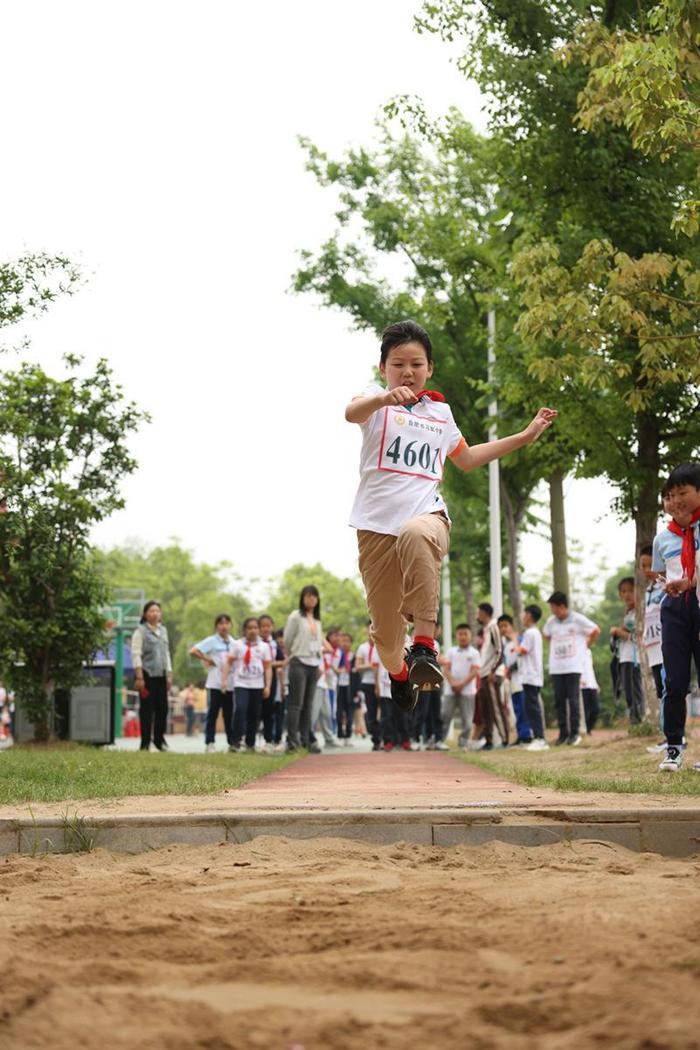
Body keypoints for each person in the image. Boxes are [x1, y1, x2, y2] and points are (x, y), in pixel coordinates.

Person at [344, 319, 556, 714]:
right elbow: (351, 413)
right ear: (383, 368)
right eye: (398, 364)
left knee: (415, 532)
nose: (408, 372)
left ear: (430, 368)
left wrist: (525, 437)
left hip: (428, 516)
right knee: (388, 640)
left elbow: (469, 458)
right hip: (375, 529)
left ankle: (424, 646)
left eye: (416, 364)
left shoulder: (440, 412)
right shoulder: (375, 400)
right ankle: (400, 672)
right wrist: (384, 400)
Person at [652, 463, 700, 772]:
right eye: (671, 495)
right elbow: (658, 572)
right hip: (674, 610)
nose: (676, 501)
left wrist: (690, 582)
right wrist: (670, 586)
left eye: (683, 493)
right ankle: (673, 747)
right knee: (676, 681)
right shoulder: (662, 539)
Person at [543, 593, 600, 747]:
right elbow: (546, 635)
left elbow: (595, 630)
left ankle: (574, 733)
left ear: (562, 606)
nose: (552, 610)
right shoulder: (551, 622)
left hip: (573, 666)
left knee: (573, 701)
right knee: (559, 702)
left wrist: (585, 645)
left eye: (553, 607)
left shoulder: (578, 619)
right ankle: (563, 734)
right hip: (556, 668)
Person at [283, 585, 328, 753]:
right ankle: (292, 741)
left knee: (308, 705)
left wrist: (320, 664)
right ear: (302, 598)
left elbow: (318, 645)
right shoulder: (295, 617)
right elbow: (287, 640)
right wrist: (294, 654)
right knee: (296, 704)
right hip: (299, 662)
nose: (312, 599)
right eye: (308, 596)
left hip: (314, 664)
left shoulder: (317, 620)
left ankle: (306, 740)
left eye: (315, 596)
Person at [190, 614, 236, 753]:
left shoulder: (234, 643)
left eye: (227, 623)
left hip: (231, 684)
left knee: (229, 715)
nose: (224, 626)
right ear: (217, 626)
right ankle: (210, 742)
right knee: (213, 714)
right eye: (221, 623)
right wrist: (207, 658)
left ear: (231, 625)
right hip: (215, 684)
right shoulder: (212, 641)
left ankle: (232, 742)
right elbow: (193, 651)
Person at [131, 600, 173, 752]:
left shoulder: (163, 631)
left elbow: (166, 653)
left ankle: (159, 739)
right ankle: (145, 742)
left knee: (163, 708)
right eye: (151, 611)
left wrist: (169, 674)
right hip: (147, 675)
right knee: (147, 710)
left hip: (161, 675)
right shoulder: (140, 631)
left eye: (157, 611)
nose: (155, 614)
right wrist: (139, 676)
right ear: (145, 614)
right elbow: (136, 654)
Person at [227, 617, 272, 752]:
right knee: (240, 710)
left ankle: (250, 743)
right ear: (244, 630)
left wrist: (267, 685)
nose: (253, 631)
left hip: (257, 684)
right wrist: (224, 681)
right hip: (241, 683)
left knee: (255, 714)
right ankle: (235, 741)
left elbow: (268, 667)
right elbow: (228, 663)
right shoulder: (237, 645)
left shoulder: (264, 647)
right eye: (249, 628)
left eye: (255, 628)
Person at [611, 577, 644, 724]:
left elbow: (638, 637)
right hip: (624, 657)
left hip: (635, 658)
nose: (627, 594)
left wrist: (618, 632)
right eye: (623, 591)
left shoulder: (640, 612)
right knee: (628, 692)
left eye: (630, 590)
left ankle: (639, 721)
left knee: (635, 691)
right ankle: (634, 721)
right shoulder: (627, 613)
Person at [441, 623, 480, 749]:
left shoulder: (474, 653)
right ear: (456, 636)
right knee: (445, 716)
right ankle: (439, 740)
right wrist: (453, 683)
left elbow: (474, 671)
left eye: (465, 634)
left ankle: (463, 743)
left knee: (468, 721)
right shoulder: (451, 651)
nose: (463, 637)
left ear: (470, 636)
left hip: (468, 691)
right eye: (460, 634)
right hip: (450, 691)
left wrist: (461, 684)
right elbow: (446, 669)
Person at [475, 603, 508, 749]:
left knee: (495, 707)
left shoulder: (494, 627)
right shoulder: (486, 630)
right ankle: (489, 740)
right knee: (486, 709)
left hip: (490, 674)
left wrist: (493, 671)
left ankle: (505, 739)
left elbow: (500, 651)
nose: (477, 615)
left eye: (478, 612)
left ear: (484, 613)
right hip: (483, 674)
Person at [518, 605, 548, 751]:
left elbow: (522, 650)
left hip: (531, 676)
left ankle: (540, 738)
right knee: (530, 708)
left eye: (524, 613)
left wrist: (513, 639)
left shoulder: (530, 633)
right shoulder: (533, 633)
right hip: (531, 676)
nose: (522, 616)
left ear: (529, 615)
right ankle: (537, 737)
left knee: (533, 708)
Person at [498, 614, 532, 745]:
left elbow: (522, 658)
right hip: (512, 681)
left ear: (511, 626)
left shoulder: (520, 640)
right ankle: (520, 735)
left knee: (524, 708)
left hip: (523, 679)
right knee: (516, 708)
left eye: (505, 625)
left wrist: (510, 669)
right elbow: (506, 662)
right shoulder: (505, 646)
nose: (504, 629)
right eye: (501, 627)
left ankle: (527, 735)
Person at [259, 615, 286, 750]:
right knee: (255, 711)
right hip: (255, 680)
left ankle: (269, 740)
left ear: (272, 627)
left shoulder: (274, 644)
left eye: (268, 626)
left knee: (269, 712)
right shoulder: (255, 644)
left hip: (271, 680)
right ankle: (249, 740)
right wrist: (268, 664)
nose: (265, 628)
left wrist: (269, 665)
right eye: (263, 626)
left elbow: (282, 661)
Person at [355, 628, 381, 751]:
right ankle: (375, 740)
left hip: (381, 683)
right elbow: (358, 666)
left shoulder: (381, 646)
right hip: (367, 682)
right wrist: (370, 666)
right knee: (371, 712)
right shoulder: (362, 648)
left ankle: (386, 737)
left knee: (383, 712)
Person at [332, 632, 355, 744]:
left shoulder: (353, 656)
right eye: (343, 641)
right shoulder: (338, 655)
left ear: (351, 643)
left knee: (349, 712)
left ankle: (349, 735)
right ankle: (340, 735)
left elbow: (356, 675)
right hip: (339, 686)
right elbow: (333, 667)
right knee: (339, 712)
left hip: (349, 687)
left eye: (347, 641)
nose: (345, 643)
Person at [580, 647, 600, 734]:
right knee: (585, 710)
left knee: (595, 709)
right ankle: (585, 730)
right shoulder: (577, 651)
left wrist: (596, 684)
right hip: (582, 685)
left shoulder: (588, 652)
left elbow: (590, 669)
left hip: (592, 684)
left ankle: (589, 727)